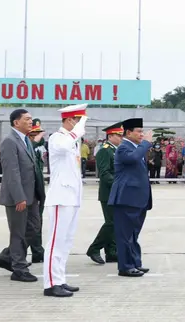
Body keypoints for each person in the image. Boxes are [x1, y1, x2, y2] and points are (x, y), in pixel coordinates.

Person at [42, 104, 88, 297]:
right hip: (61, 197)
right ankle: (51, 283)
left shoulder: (73, 141)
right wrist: (77, 131)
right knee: (55, 241)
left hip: (72, 197)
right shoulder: (57, 138)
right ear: (70, 120)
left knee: (66, 241)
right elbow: (62, 147)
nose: (80, 127)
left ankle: (59, 279)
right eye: (78, 121)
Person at [0, 109, 41, 283]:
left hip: (31, 195)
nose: (31, 121)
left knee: (34, 228)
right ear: (16, 122)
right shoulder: (9, 141)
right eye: (27, 119)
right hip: (18, 197)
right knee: (18, 233)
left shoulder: (26, 140)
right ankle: (19, 268)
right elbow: (12, 172)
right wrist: (20, 197)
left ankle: (7, 257)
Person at [109, 118, 154, 278]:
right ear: (128, 133)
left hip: (138, 199)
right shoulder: (123, 148)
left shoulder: (135, 148)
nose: (142, 135)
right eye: (139, 131)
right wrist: (146, 144)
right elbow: (133, 158)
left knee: (133, 234)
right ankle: (125, 267)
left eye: (142, 132)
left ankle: (135, 262)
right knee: (125, 235)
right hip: (126, 198)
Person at [87, 122, 122, 265]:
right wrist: (118, 184)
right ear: (111, 135)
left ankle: (112, 252)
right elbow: (104, 173)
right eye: (119, 135)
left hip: (116, 192)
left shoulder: (115, 150)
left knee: (115, 223)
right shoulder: (104, 151)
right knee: (111, 223)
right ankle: (94, 248)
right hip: (108, 193)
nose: (121, 138)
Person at [27, 119, 47, 263]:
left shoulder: (38, 147)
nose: (39, 137)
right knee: (30, 225)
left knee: (37, 223)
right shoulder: (27, 146)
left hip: (38, 189)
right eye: (36, 134)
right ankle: (13, 255)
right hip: (28, 191)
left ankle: (37, 252)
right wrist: (35, 141)